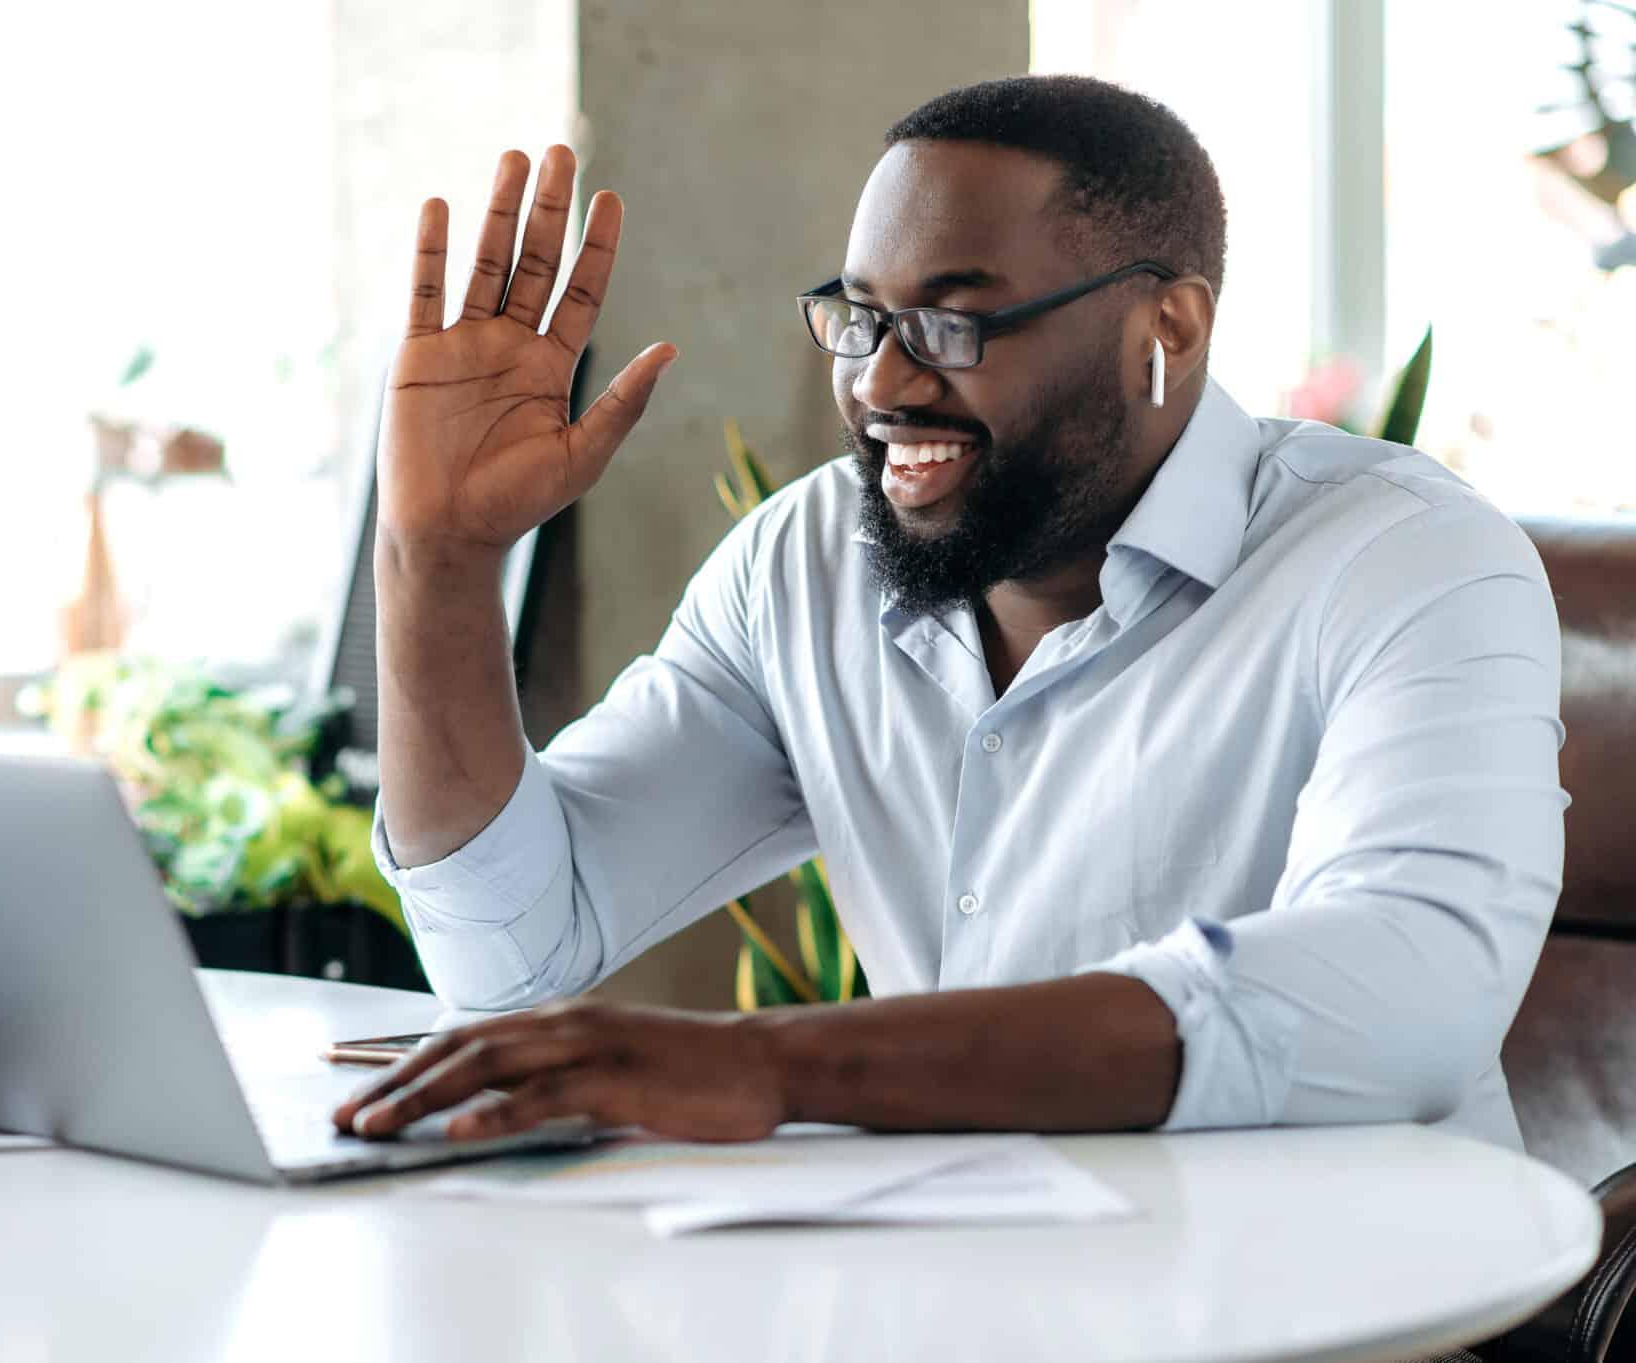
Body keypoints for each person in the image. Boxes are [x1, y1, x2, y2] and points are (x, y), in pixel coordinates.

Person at [332, 75, 1567, 1148]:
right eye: (858, 315)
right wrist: (435, 561)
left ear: (1167, 327)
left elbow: (1406, 992)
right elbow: (512, 950)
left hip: (1349, 1316)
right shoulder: (801, 564)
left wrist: (770, 1065)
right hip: (951, 1282)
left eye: (953, 320)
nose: (878, 380)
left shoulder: (1405, 559)